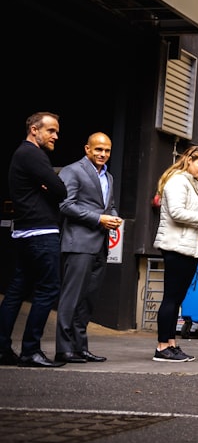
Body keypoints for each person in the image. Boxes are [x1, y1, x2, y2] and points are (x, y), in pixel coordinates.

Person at [0, 112, 68, 368]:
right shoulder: (32, 154)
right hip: (40, 232)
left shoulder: (22, 155)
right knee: (48, 289)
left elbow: (53, 188)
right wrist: (50, 187)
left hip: (26, 232)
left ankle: (2, 348)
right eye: (50, 131)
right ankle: (30, 351)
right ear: (34, 130)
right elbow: (61, 190)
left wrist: (47, 187)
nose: (55, 136)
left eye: (57, 131)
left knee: (17, 290)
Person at [151, 145, 198, 362]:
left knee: (177, 299)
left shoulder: (194, 183)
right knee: (172, 298)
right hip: (175, 246)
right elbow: (176, 213)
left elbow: (195, 217)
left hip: (189, 247)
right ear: (189, 160)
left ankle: (170, 344)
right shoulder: (177, 180)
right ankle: (162, 346)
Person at [55, 132, 122, 364]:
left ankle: (80, 348)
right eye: (98, 149)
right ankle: (64, 349)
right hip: (78, 243)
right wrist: (99, 219)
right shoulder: (73, 171)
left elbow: (109, 206)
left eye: (107, 150)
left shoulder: (109, 177)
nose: (103, 154)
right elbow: (65, 205)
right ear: (87, 149)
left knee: (88, 300)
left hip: (100, 245)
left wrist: (113, 217)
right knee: (71, 298)